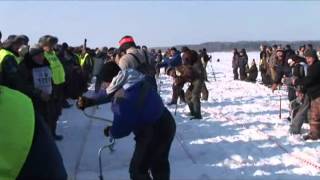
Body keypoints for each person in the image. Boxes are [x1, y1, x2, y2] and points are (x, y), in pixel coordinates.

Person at [78, 61, 176, 180]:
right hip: (166, 122)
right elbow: (109, 92)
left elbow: (122, 129)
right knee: (159, 161)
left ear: (112, 80)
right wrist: (90, 100)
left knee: (138, 171)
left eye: (104, 83)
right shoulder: (131, 79)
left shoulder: (124, 100)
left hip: (152, 133)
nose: (103, 86)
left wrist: (111, 131)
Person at [0, 85, 67, 180]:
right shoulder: (19, 103)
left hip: (38, 101)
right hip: (32, 101)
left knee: (52, 115)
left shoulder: (18, 105)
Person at [39, 35, 65, 140]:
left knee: (55, 112)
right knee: (49, 114)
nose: (52, 47)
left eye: (53, 45)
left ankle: (52, 133)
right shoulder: (42, 55)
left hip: (58, 86)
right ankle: (49, 135)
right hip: (49, 88)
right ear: (44, 45)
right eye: (50, 45)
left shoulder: (53, 54)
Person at [294, 49, 320, 140]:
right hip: (314, 95)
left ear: (314, 57)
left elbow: (309, 79)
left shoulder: (316, 66)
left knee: (315, 116)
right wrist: (303, 90)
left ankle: (314, 134)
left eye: (310, 58)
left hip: (318, 95)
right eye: (306, 58)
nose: (308, 60)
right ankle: (315, 133)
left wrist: (297, 81)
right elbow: (309, 82)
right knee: (315, 115)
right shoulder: (312, 66)